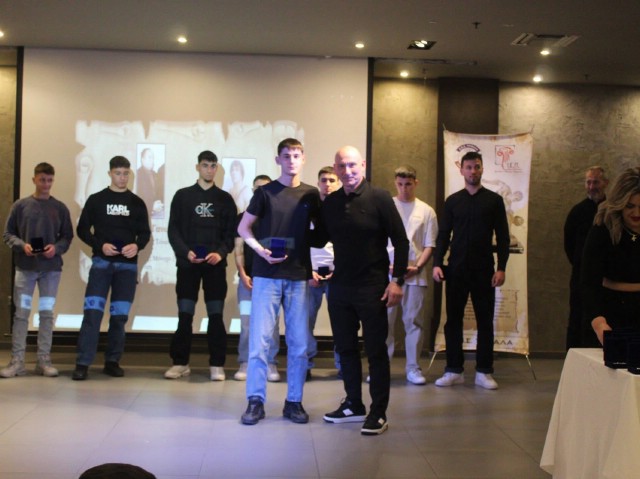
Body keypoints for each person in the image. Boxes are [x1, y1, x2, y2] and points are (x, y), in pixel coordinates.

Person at [321, 145, 409, 436]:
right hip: (340, 288)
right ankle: (353, 405)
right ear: (335, 169)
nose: (347, 171)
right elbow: (318, 238)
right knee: (345, 349)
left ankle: (378, 412)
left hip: (373, 288)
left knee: (375, 351)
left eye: (352, 165)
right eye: (341, 166)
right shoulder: (332, 202)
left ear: (363, 165)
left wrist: (397, 281)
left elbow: (401, 241)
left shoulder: (379, 197)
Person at [237, 138, 322, 426]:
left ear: (303, 158)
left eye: (296, 155)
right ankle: (255, 401)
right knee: (259, 343)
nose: (292, 160)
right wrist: (260, 250)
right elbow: (243, 227)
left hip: (298, 275)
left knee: (298, 344)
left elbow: (320, 233)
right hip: (266, 276)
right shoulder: (265, 192)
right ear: (278, 160)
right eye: (287, 156)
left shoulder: (311, 194)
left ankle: (294, 401)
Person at [432, 151, 510, 390]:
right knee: (453, 321)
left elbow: (503, 237)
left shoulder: (494, 201)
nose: (473, 171)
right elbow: (443, 235)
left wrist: (501, 268)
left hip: (484, 270)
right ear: (461, 170)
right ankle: (453, 370)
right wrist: (437, 263)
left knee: (485, 320)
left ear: (482, 169)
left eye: (476, 167)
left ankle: (484, 371)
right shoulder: (453, 201)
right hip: (456, 270)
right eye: (468, 167)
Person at [73, 156, 150, 380]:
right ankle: (82, 363)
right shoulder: (97, 200)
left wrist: (137, 246)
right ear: (110, 174)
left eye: (125, 173)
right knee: (92, 314)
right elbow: (82, 230)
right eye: (118, 173)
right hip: (101, 265)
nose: (122, 177)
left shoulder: (136, 203)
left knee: (119, 317)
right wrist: (100, 245)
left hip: (127, 268)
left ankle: (112, 361)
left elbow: (145, 233)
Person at [164, 150, 237, 380]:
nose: (209, 170)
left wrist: (220, 253)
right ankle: (180, 363)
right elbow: (173, 231)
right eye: (205, 165)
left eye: (213, 166)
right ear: (197, 167)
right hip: (188, 266)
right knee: (185, 315)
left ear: (217, 169)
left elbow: (231, 234)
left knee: (215, 316)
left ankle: (217, 364)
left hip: (215, 267)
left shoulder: (225, 199)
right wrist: (186, 252)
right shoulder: (182, 196)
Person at [1, 163, 74, 378]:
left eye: (49, 180)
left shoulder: (60, 208)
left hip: (51, 271)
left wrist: (56, 248)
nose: (46, 184)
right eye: (42, 180)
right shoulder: (20, 206)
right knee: (21, 314)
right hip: (26, 269)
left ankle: (44, 360)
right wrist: (22, 246)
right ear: (34, 180)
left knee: (46, 314)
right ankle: (17, 361)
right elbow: (8, 234)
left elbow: (67, 237)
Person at [386, 165, 438, 385]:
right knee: (384, 323)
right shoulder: (387, 206)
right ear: (395, 183)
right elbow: (378, 240)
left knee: (413, 322)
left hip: (415, 274)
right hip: (388, 273)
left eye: (408, 184)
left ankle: (413, 368)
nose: (404, 188)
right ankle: (382, 368)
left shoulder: (426, 211)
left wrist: (417, 266)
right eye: (400, 184)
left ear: (415, 183)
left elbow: (429, 244)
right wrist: (387, 266)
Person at [581, 167, 640, 345]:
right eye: (630, 206)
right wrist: (599, 323)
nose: (637, 214)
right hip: (611, 311)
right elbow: (588, 281)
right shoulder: (603, 228)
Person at [233, 174, 281, 382]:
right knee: (246, 323)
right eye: (257, 189)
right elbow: (238, 249)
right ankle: (245, 362)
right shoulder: (242, 217)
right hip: (248, 281)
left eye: (265, 188)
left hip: (271, 281)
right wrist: (243, 274)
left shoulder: (277, 217)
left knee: (273, 324)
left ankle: (271, 363)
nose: (261, 192)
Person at [563, 166, 608, 348]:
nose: (591, 186)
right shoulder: (577, 211)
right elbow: (569, 245)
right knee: (577, 319)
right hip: (580, 276)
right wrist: (583, 266)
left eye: (595, 182)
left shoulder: (612, 211)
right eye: (588, 182)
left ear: (605, 183)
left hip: (605, 279)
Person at [307, 166, 341, 379]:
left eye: (331, 180)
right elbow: (301, 242)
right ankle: (305, 366)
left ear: (338, 183)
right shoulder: (308, 209)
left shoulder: (344, 208)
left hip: (337, 275)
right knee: (305, 323)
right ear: (318, 183)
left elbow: (348, 244)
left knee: (341, 322)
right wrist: (307, 271)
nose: (327, 184)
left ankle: (343, 365)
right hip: (311, 275)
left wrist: (339, 269)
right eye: (323, 180)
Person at [136, 147, 164, 219]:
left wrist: (159, 203)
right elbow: (137, 199)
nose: (152, 160)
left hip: (156, 212)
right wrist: (151, 206)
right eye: (149, 157)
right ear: (142, 160)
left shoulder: (155, 174)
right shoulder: (137, 175)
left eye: (153, 158)